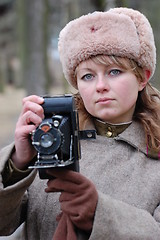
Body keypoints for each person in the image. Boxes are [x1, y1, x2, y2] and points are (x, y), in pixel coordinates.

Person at [0, 7, 160, 240]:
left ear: (142, 78)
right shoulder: (51, 141)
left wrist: (101, 214)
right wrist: (17, 164)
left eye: (114, 71)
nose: (100, 85)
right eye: (88, 76)